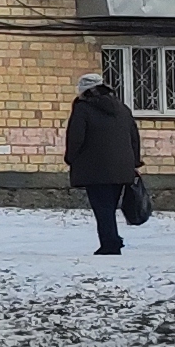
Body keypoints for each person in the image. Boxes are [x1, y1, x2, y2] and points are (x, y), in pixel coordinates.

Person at [63, 72, 143, 255]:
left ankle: (110, 244)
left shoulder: (83, 109)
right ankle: (112, 240)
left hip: (95, 169)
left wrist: (71, 158)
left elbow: (76, 138)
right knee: (109, 207)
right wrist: (134, 161)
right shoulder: (122, 108)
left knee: (102, 208)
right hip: (122, 168)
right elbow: (134, 137)